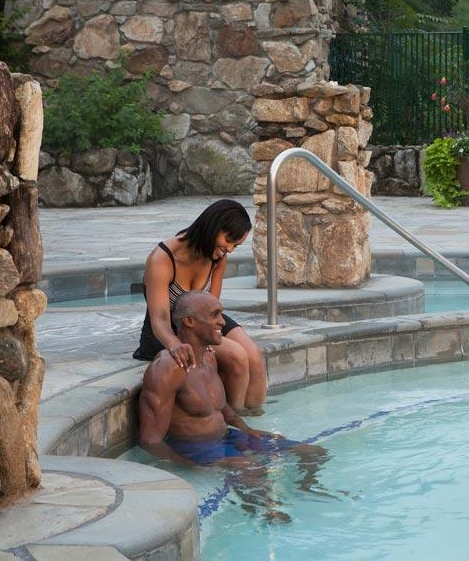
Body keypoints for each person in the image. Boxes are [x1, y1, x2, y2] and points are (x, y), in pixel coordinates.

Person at [138, 291, 328, 521]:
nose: (222, 322)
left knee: (313, 452)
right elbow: (150, 440)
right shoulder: (167, 369)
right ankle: (262, 515)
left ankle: (305, 490)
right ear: (189, 322)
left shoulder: (209, 357)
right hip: (196, 448)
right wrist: (189, 466)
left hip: (227, 437)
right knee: (252, 468)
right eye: (215, 315)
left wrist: (246, 429)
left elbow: (221, 406)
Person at [133, 199, 267, 412]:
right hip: (167, 330)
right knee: (237, 355)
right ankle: (235, 424)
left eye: (236, 245)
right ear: (212, 227)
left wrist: (210, 337)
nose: (230, 249)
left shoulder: (217, 256)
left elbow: (212, 308)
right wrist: (174, 344)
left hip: (202, 321)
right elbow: (159, 318)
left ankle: (256, 419)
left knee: (254, 356)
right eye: (229, 240)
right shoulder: (162, 259)